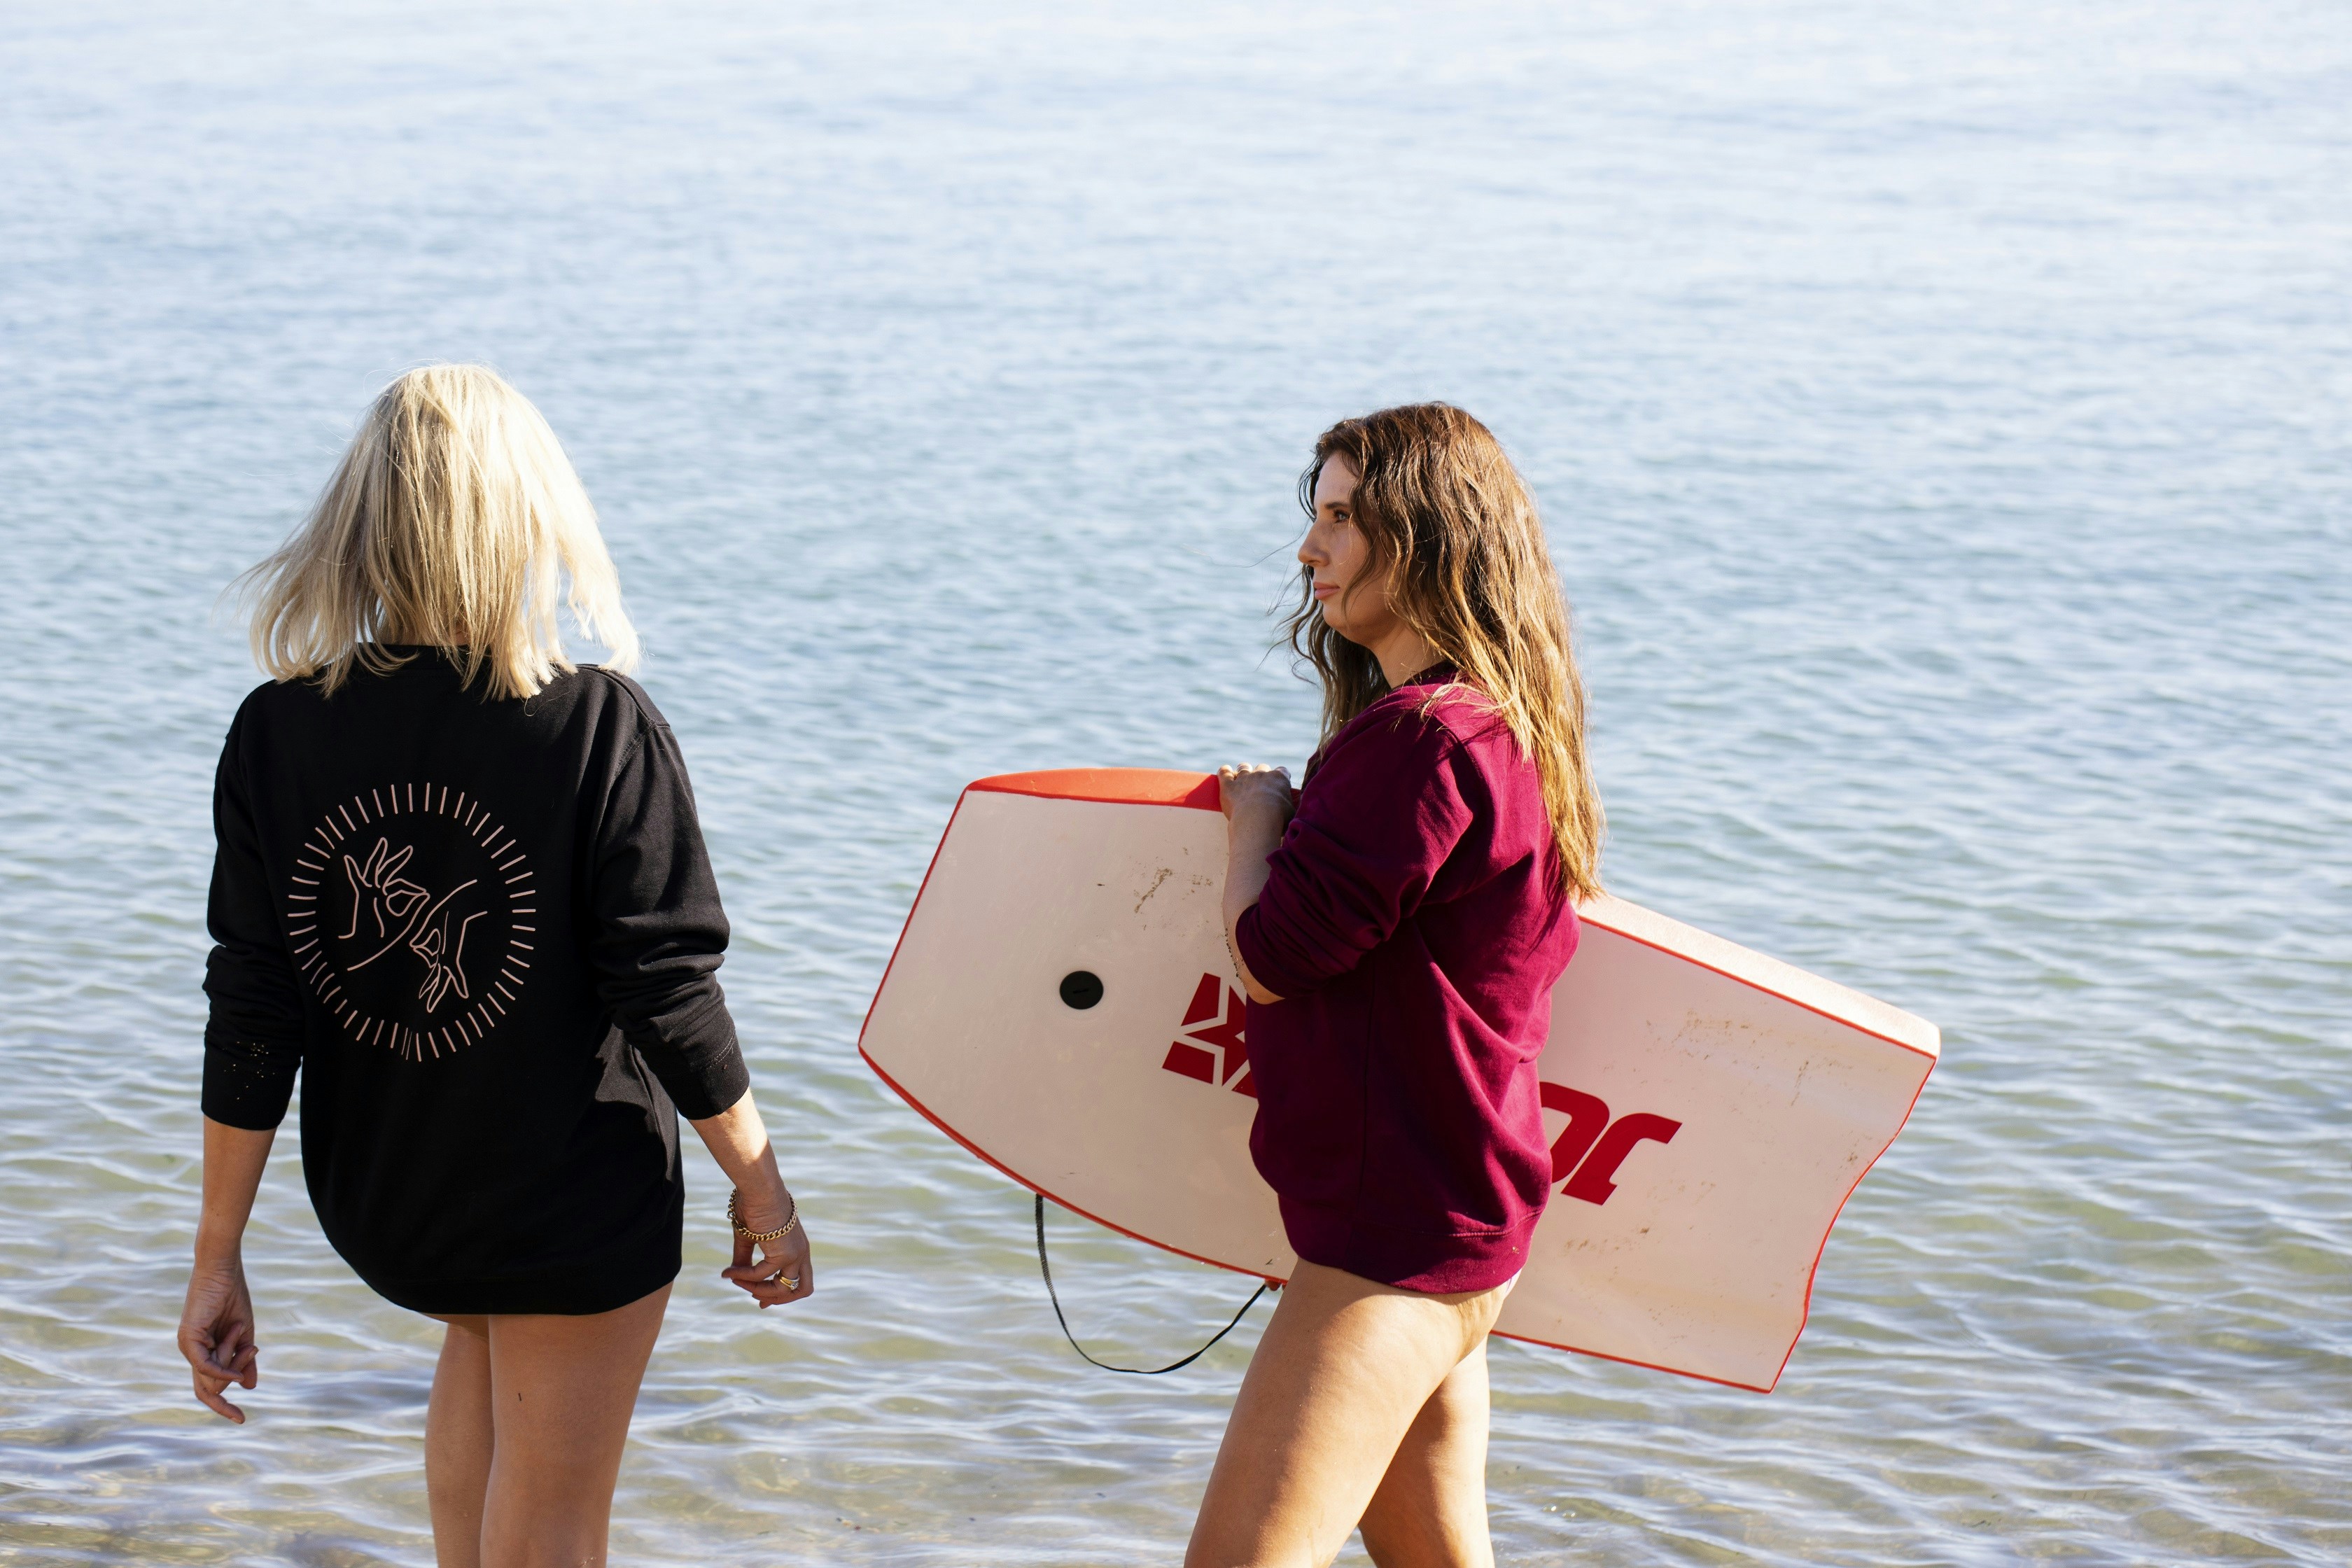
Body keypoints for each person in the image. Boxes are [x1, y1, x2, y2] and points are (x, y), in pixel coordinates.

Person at [176, 365, 813, 1568]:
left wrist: (219, 1257)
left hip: (396, 1200)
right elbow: (666, 984)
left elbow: (253, 1008)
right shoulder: (595, 724)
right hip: (570, 1198)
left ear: (363, 524)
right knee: (557, 1531)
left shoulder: (278, 728)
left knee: (481, 1355)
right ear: (527, 518)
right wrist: (764, 1186)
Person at [1192, 404, 1604, 1568]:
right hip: (1467, 1224)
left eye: (1338, 520)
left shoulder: (1421, 743)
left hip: (1392, 1249)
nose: (1309, 550)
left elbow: (1273, 959)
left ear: (1422, 535)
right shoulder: (1506, 729)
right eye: (1311, 517)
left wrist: (1253, 823)